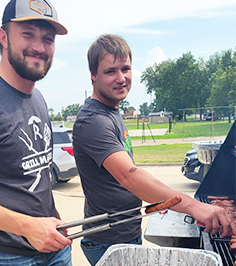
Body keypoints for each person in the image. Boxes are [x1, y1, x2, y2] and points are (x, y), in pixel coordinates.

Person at [72, 34, 234, 266]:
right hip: (108, 241)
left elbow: (122, 176)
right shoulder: (94, 120)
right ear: (93, 76)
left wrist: (161, 199)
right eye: (110, 71)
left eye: (125, 69)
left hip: (125, 232)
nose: (121, 78)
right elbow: (128, 176)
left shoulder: (111, 111)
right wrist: (194, 206)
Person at [0, 0, 72, 265]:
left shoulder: (37, 97)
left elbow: (35, 176)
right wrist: (27, 227)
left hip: (55, 250)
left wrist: (54, 219)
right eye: (28, 34)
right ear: (3, 37)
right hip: (2, 254)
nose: (39, 48)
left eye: (48, 39)